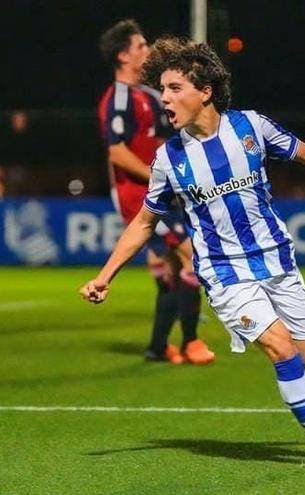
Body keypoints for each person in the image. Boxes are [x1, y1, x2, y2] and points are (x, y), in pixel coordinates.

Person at [80, 37, 305, 470]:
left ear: (205, 91)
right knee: (282, 350)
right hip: (225, 275)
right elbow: (143, 223)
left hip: (276, 260)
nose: (165, 99)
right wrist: (105, 275)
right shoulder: (168, 159)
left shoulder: (250, 127)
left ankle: (299, 394)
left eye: (174, 89)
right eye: (163, 89)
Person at [98, 20, 213, 365]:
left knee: (172, 270)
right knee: (192, 255)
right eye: (140, 47)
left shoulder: (149, 95)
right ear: (123, 56)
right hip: (139, 197)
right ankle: (191, 341)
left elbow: (165, 140)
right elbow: (116, 152)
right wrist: (158, 176)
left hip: (163, 194)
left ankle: (159, 346)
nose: (147, 51)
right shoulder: (117, 99)